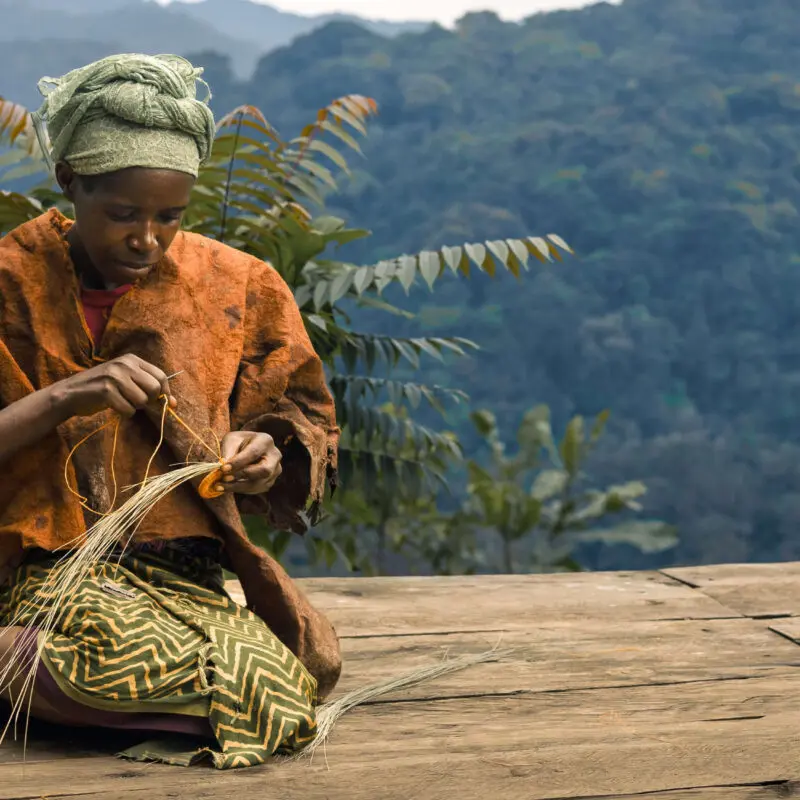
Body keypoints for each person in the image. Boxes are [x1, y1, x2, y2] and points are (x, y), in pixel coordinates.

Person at [0, 53, 342, 769]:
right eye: (122, 214)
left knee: (291, 669)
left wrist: (265, 450)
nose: (146, 238)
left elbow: (299, 409)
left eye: (169, 217)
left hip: (180, 577)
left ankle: (122, 701)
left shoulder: (239, 283)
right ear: (68, 182)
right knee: (41, 656)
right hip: (37, 576)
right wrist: (61, 397)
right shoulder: (9, 281)